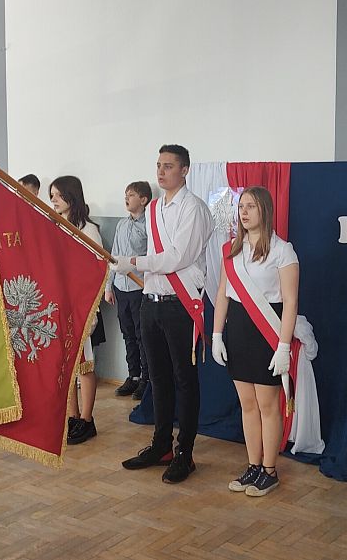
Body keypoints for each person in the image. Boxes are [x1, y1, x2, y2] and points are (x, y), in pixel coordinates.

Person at [115, 144, 212, 483]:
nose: (161, 171)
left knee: (184, 379)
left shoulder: (194, 209)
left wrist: (134, 262)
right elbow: (157, 254)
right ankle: (161, 445)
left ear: (184, 170)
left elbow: (177, 257)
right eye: (158, 165)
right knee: (158, 378)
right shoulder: (154, 208)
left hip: (179, 304)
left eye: (168, 166)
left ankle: (185, 452)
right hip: (151, 302)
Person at [211, 187, 299, 497]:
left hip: (267, 334)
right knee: (247, 404)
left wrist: (284, 346)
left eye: (251, 206)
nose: (244, 212)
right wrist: (217, 334)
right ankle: (253, 465)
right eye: (241, 207)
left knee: (267, 406)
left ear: (265, 210)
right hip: (238, 332)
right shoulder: (232, 250)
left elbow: (290, 302)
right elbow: (223, 293)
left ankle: (269, 471)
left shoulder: (283, 250)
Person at [49, 176, 106, 445]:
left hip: (80, 305)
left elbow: (97, 269)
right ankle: (71, 416)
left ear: (71, 196)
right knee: (66, 364)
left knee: (84, 363)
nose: (53, 200)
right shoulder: (55, 226)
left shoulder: (88, 230)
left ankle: (86, 418)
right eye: (51, 195)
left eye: (58, 195)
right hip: (59, 303)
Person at [105, 181, 151, 399]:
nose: (126, 198)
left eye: (131, 195)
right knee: (128, 334)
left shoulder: (149, 226)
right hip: (121, 287)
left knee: (142, 335)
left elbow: (151, 257)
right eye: (125, 194)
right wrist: (109, 286)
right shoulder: (122, 225)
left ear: (143, 199)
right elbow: (113, 256)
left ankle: (146, 378)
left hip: (139, 287)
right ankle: (133, 375)